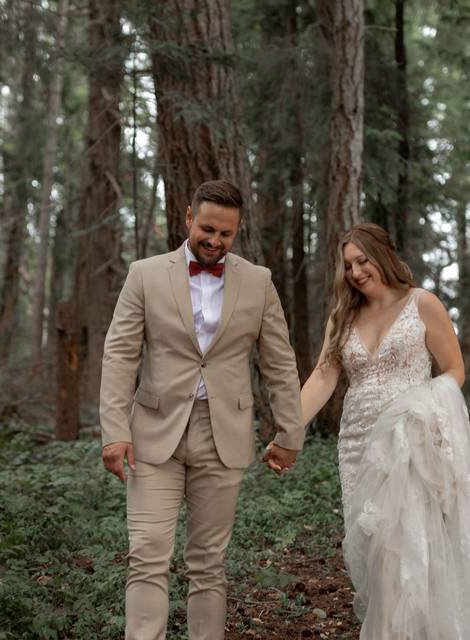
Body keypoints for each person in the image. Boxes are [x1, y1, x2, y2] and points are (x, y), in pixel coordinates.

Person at [99, 179, 304, 640]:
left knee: (209, 563)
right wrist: (115, 431)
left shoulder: (259, 281)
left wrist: (289, 435)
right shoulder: (145, 274)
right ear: (189, 218)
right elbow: (120, 355)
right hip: (154, 433)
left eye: (226, 234)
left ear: (238, 232)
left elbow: (279, 362)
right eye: (207, 228)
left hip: (223, 434)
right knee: (148, 553)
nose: (215, 240)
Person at [299, 223, 470, 639]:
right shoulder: (343, 315)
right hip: (358, 445)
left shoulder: (423, 303)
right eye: (348, 265)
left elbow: (454, 370)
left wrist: (423, 406)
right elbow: (323, 378)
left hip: (412, 439)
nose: (356, 272)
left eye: (363, 260)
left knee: (407, 546)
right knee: (376, 548)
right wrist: (288, 428)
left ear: (383, 253)